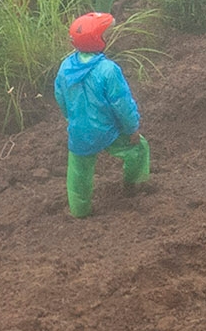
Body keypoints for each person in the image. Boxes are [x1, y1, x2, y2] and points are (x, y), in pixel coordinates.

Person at [53, 12, 150, 218]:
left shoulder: (65, 67)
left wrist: (71, 118)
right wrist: (132, 128)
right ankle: (134, 186)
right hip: (107, 130)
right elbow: (122, 103)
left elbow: (60, 97)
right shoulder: (108, 69)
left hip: (79, 131)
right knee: (138, 149)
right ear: (98, 39)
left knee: (78, 174)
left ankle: (80, 211)